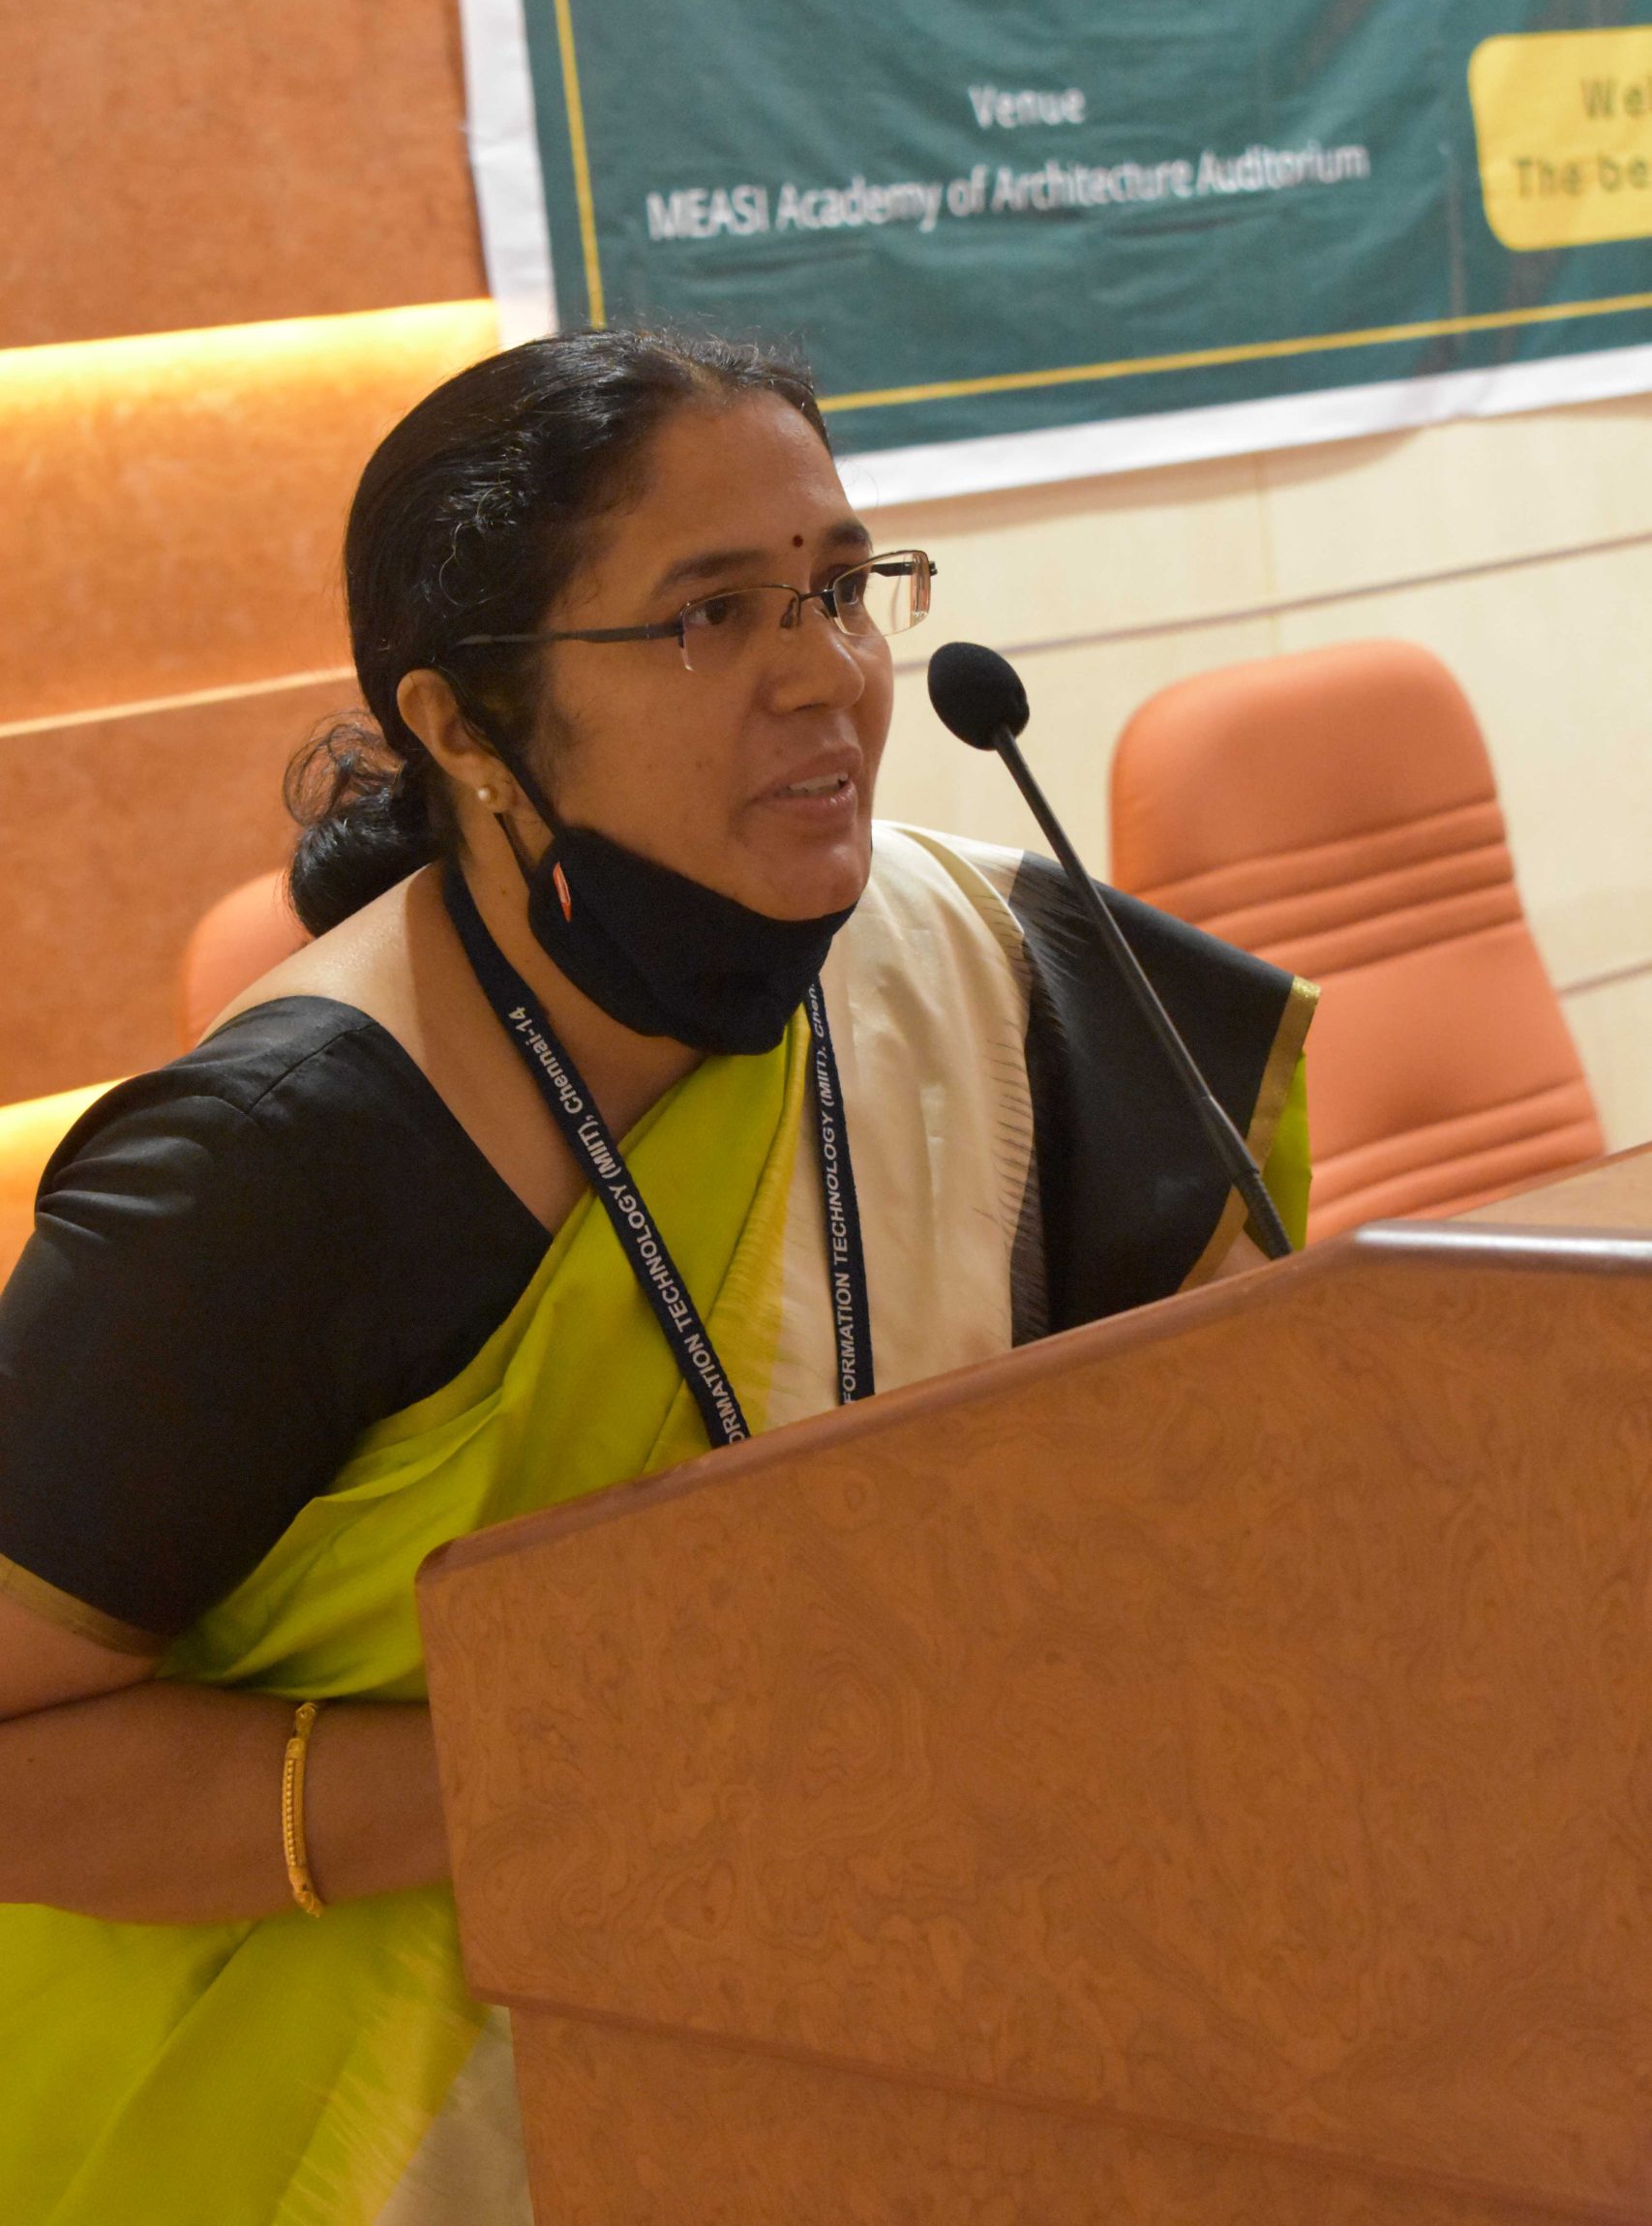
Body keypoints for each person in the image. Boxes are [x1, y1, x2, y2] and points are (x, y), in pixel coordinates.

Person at [0, 329, 1313, 2224]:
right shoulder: (274, 1168)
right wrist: (598, 1773)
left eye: (840, 588)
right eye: (709, 615)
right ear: (465, 725)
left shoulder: (990, 968)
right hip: (356, 2130)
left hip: (886, 2035)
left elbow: (1254, 1459)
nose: (825, 673)